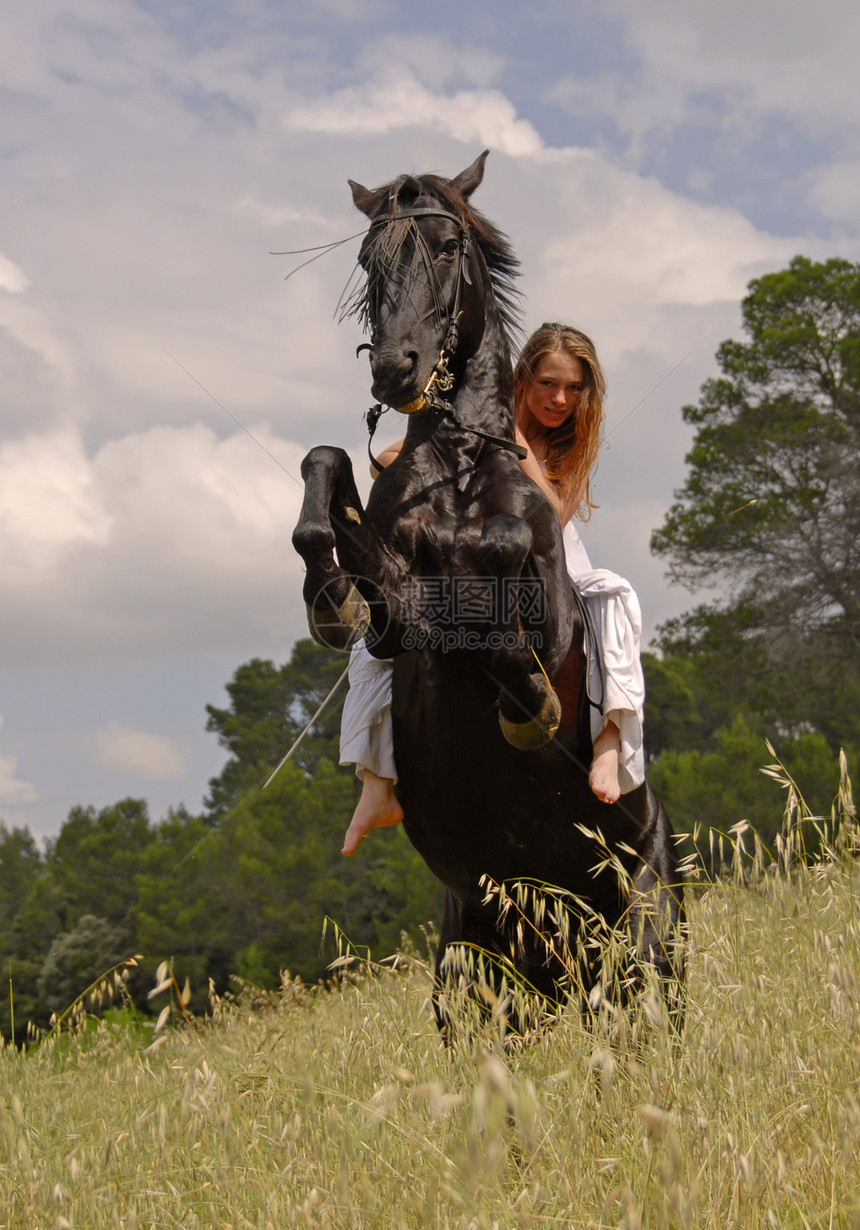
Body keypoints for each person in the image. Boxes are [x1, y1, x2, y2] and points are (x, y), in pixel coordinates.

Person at [339, 323, 645, 856]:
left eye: (574, 389)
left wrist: (512, 440)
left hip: (544, 567)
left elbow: (550, 512)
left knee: (612, 597)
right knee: (377, 632)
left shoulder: (568, 446)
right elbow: (389, 459)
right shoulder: (470, 427)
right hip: (466, 561)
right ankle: (376, 784)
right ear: (521, 379)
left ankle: (609, 743)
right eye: (549, 383)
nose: (560, 399)